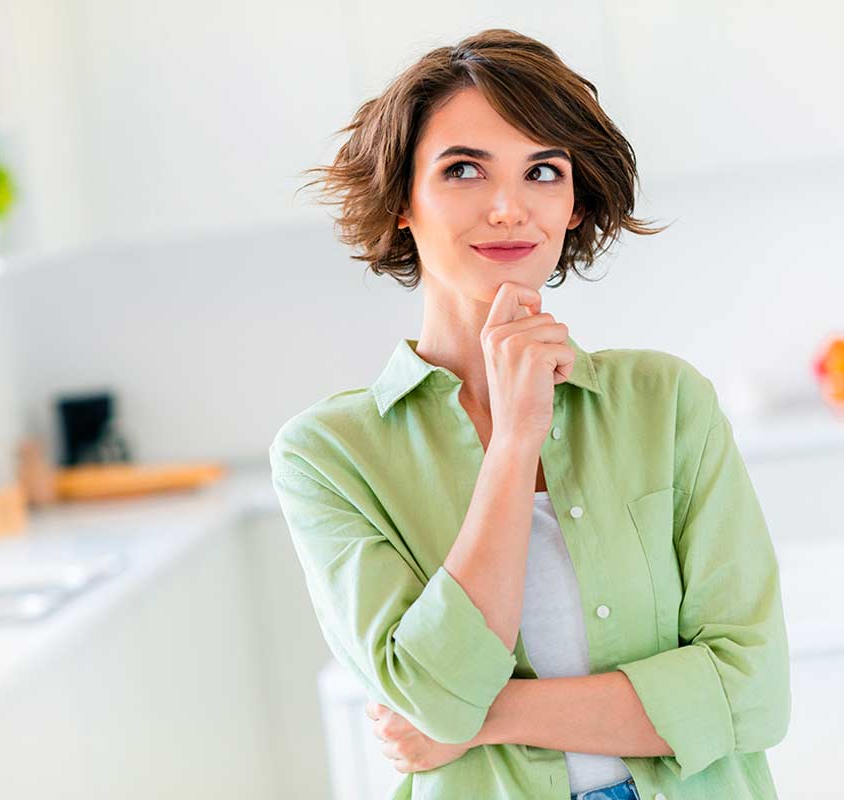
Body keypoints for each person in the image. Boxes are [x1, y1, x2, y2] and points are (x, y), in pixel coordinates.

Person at [269, 28, 790, 800]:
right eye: (463, 170)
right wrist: (513, 444)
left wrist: (485, 718)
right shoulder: (328, 455)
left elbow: (751, 692)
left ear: (573, 204)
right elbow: (433, 695)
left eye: (542, 170)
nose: (509, 208)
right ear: (402, 202)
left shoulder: (667, 403)